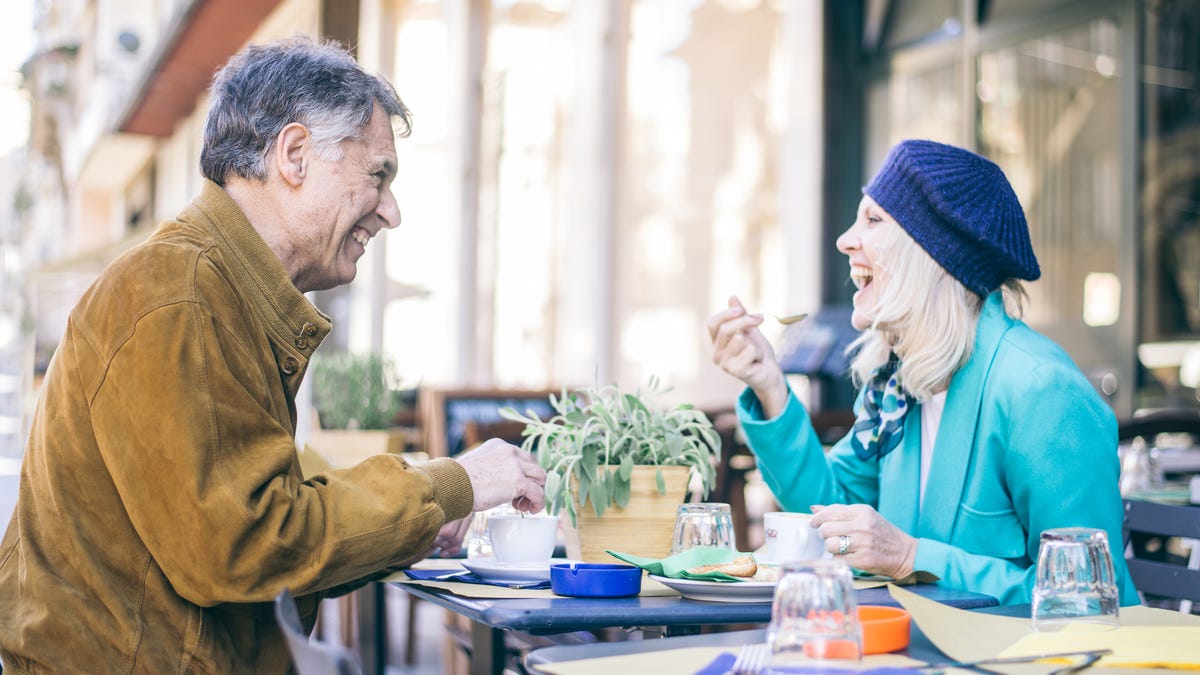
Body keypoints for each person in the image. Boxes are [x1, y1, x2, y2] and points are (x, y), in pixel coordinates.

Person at [0, 37, 546, 672]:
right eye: (378, 175)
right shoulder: (181, 297)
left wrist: (419, 518)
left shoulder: (208, 288)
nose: (390, 212)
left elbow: (255, 527)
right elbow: (244, 544)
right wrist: (453, 484)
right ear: (294, 155)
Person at [708, 139, 1137, 605]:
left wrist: (912, 557)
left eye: (874, 220)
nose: (845, 239)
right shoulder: (901, 384)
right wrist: (770, 386)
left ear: (934, 254)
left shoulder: (1041, 391)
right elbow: (829, 514)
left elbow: (1092, 600)